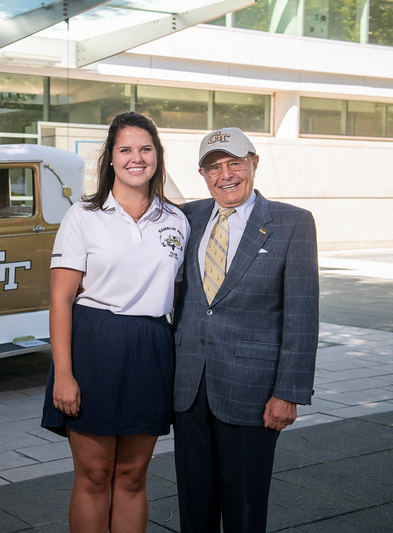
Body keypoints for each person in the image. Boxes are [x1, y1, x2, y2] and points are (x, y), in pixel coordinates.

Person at [41, 111, 189, 532]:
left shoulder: (177, 221)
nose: (135, 158)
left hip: (150, 349)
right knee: (93, 477)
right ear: (110, 159)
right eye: (125, 150)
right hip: (94, 347)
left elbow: (176, 296)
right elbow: (60, 298)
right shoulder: (83, 216)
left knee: (132, 475)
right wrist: (65, 374)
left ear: (157, 156)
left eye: (145, 149)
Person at [172, 127, 319, 532]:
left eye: (235, 163)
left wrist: (288, 392)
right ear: (202, 174)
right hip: (188, 389)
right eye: (214, 167)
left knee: (245, 508)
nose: (226, 175)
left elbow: (302, 314)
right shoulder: (187, 216)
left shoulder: (292, 223)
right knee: (194, 505)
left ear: (253, 163)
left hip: (252, 391)